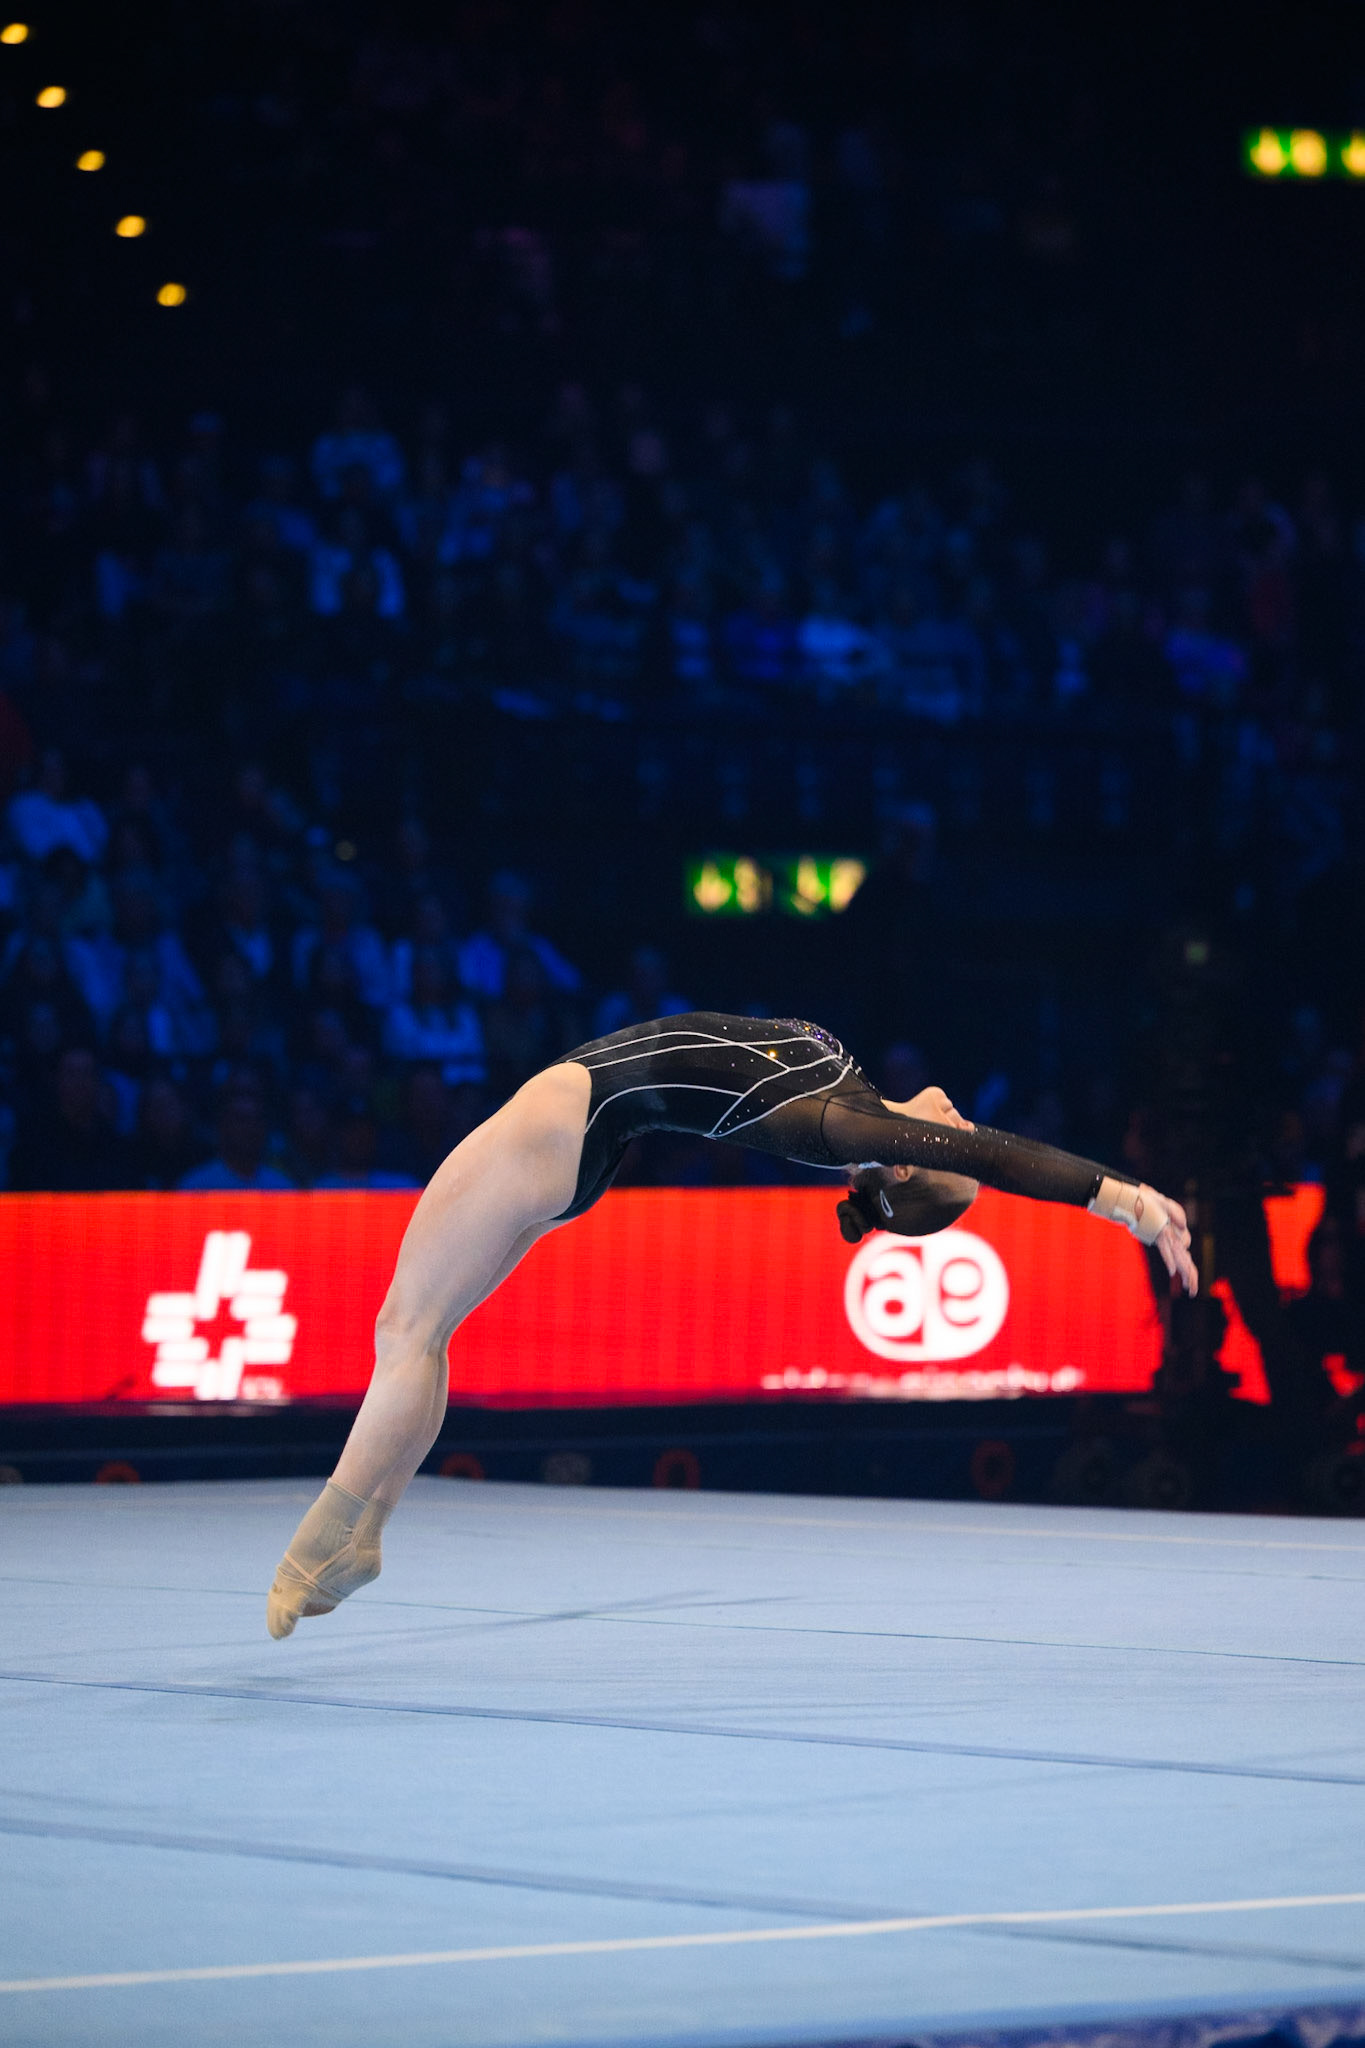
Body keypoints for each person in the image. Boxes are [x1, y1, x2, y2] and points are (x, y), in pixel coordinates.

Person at [267, 1014, 1196, 1639]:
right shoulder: (855, 1098)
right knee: (427, 1334)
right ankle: (364, 1531)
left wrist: (1130, 1204)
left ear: (906, 1168)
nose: (958, 1121)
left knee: (407, 1329)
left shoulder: (841, 1124)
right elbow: (969, 1152)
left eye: (939, 1153)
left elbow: (991, 1155)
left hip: (558, 1126)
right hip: (580, 1142)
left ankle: (324, 1541)